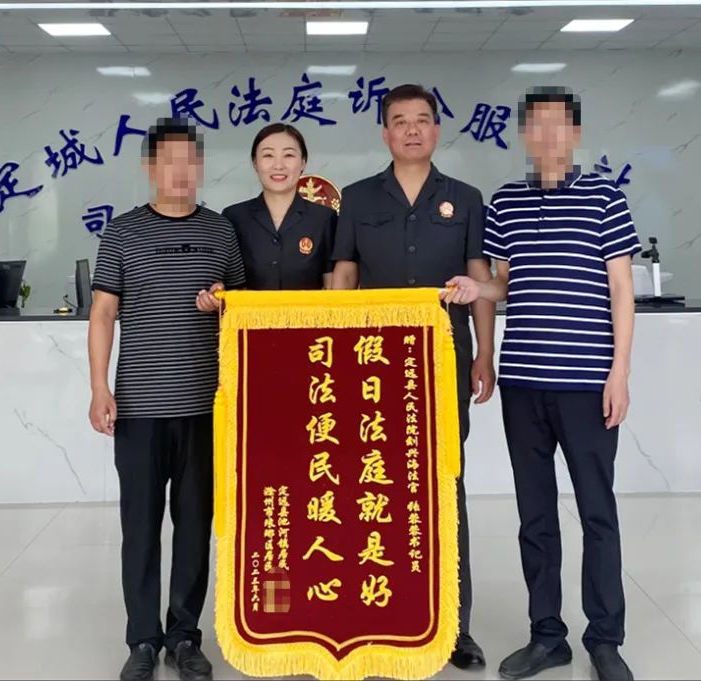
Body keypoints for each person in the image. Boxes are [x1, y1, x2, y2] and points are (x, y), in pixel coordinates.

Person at [443, 87, 639, 681]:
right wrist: (477, 290)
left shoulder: (605, 198)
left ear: (574, 134)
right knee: (535, 515)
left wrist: (620, 371)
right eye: (537, 126)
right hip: (524, 384)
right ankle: (547, 635)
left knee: (597, 511)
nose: (548, 136)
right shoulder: (505, 202)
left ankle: (605, 638)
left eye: (559, 126)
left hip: (586, 383)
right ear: (525, 135)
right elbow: (505, 285)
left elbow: (622, 291)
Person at [331, 83, 496, 671]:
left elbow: (478, 277)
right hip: (372, 363)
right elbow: (343, 276)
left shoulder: (465, 198)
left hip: (444, 357)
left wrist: (484, 353)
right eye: (399, 121)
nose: (411, 130)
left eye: (422, 119)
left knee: (445, 482)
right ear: (385, 133)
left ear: (436, 130)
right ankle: (379, 612)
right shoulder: (356, 198)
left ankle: (455, 626)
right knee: (375, 483)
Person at [88, 117, 246, 681]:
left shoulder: (221, 232)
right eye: (169, 161)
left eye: (190, 161)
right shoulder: (123, 233)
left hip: (205, 408)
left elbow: (241, 314)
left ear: (200, 166)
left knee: (194, 526)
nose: (181, 172)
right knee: (140, 527)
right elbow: (103, 312)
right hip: (139, 408)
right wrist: (99, 387)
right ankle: (142, 640)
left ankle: (183, 636)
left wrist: (222, 303)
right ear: (150, 167)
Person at [222, 123, 337, 290]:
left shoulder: (324, 219)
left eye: (288, 155)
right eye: (268, 155)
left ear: (303, 162)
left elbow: (333, 289)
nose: (278, 165)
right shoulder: (234, 218)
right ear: (255, 163)